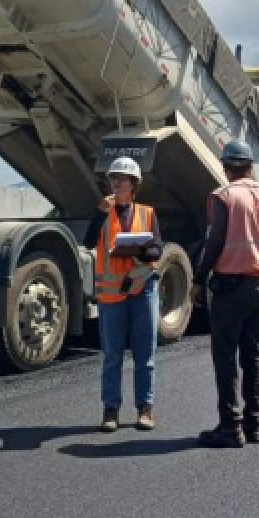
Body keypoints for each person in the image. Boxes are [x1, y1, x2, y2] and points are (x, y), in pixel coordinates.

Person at [191, 140, 259, 449]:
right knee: (253, 355)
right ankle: (253, 425)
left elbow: (215, 242)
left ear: (226, 167)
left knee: (226, 357)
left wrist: (198, 278)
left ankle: (230, 428)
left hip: (232, 289)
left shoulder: (224, 196)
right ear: (251, 165)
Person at [84, 157, 162, 432]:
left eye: (122, 179)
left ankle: (145, 409)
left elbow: (157, 251)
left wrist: (138, 249)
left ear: (134, 184)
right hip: (112, 294)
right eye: (113, 179)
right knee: (112, 356)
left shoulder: (147, 213)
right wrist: (99, 214)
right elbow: (88, 241)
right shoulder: (103, 213)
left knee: (145, 354)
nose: (116, 183)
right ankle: (110, 411)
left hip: (142, 288)